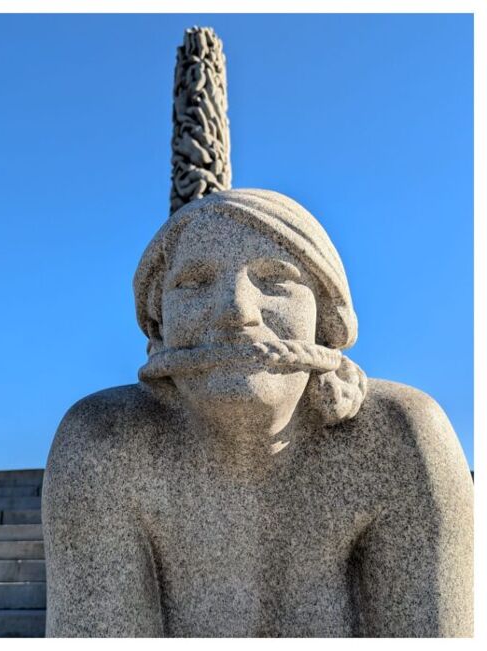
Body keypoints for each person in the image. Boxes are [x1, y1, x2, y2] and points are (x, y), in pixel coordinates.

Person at [43, 189, 472, 637]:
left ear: (324, 320)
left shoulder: (399, 438)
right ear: (159, 327)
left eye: (275, 280)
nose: (236, 312)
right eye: (193, 283)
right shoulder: (104, 444)